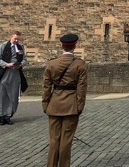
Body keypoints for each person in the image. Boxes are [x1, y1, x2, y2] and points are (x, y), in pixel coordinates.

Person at [42, 33, 88, 167]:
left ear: (62, 45)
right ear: (74, 46)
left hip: (54, 104)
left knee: (54, 141)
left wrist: (45, 104)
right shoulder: (80, 65)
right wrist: (80, 106)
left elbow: (46, 87)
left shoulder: (52, 64)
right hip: (71, 105)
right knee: (66, 142)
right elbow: (82, 88)